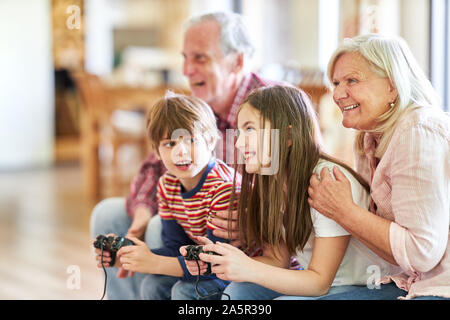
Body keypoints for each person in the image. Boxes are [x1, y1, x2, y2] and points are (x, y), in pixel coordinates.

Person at [90, 12, 313, 299]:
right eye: (185, 58)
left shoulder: (272, 107)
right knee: (110, 214)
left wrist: (254, 219)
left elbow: (297, 184)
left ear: (238, 62)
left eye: (200, 58)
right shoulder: (190, 107)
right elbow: (151, 173)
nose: (187, 70)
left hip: (259, 240)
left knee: (163, 233)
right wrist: (137, 229)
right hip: (200, 227)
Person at [188, 85, 398, 300]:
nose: (240, 143)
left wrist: (247, 267)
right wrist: (221, 261)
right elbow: (277, 261)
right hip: (323, 284)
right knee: (237, 292)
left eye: (250, 129)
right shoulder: (272, 182)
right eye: (239, 132)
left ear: (288, 135)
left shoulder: (326, 182)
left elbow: (319, 283)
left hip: (368, 286)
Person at [308, 34, 449, 300]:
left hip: (438, 285)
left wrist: (344, 211)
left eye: (352, 80)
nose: (337, 94)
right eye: (336, 83)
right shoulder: (369, 137)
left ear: (393, 86)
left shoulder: (417, 130)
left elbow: (421, 253)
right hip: (404, 278)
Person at [94, 92, 240, 300]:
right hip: (203, 267)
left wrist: (154, 262)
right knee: (153, 285)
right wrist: (126, 256)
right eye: (169, 144)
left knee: (183, 291)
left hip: (235, 274)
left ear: (209, 141)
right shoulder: (167, 185)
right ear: (156, 151)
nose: (180, 152)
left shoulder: (222, 189)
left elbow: (219, 265)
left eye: (190, 140)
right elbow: (175, 248)